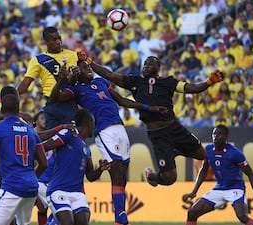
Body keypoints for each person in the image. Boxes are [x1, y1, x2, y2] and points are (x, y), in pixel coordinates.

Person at [78, 52, 224, 187]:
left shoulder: (169, 82)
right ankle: (154, 176)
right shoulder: (135, 82)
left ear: (158, 67)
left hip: (174, 128)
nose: (146, 66)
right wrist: (89, 62)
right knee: (170, 179)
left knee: (203, 155)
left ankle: (174, 152)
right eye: (144, 64)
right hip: (158, 136)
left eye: (150, 64)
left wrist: (209, 82)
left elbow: (192, 88)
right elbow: (110, 75)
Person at [50, 58, 167, 225]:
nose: (89, 69)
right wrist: (63, 79)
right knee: (117, 173)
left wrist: (148, 107)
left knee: (122, 176)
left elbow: (121, 100)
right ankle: (120, 220)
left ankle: (121, 217)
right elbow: (55, 97)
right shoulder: (76, 89)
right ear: (78, 72)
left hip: (120, 127)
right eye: (84, 68)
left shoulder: (101, 82)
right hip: (104, 131)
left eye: (89, 67)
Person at [0, 94, 47, 225]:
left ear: (2, 110)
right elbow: (43, 163)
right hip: (31, 187)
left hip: (12, 186)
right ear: (18, 110)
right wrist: (31, 178)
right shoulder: (30, 130)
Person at [182, 125, 253, 225]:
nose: (215, 136)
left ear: (226, 137)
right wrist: (194, 191)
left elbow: (251, 174)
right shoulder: (208, 150)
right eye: (214, 134)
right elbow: (203, 171)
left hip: (236, 188)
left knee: (242, 216)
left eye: (219, 134)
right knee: (192, 212)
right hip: (219, 188)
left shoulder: (235, 153)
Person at [42, 108, 111, 225]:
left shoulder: (87, 148)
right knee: (67, 222)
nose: (94, 127)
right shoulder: (69, 134)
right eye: (93, 124)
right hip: (58, 190)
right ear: (88, 123)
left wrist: (100, 169)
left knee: (82, 221)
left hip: (78, 193)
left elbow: (90, 176)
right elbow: (45, 146)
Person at [17, 26, 79, 129]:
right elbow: (25, 84)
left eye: (59, 38)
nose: (58, 42)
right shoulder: (38, 60)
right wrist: (12, 95)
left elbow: (78, 79)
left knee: (71, 137)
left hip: (69, 103)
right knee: (52, 138)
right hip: (51, 104)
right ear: (46, 41)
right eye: (54, 39)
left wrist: (76, 75)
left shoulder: (73, 55)